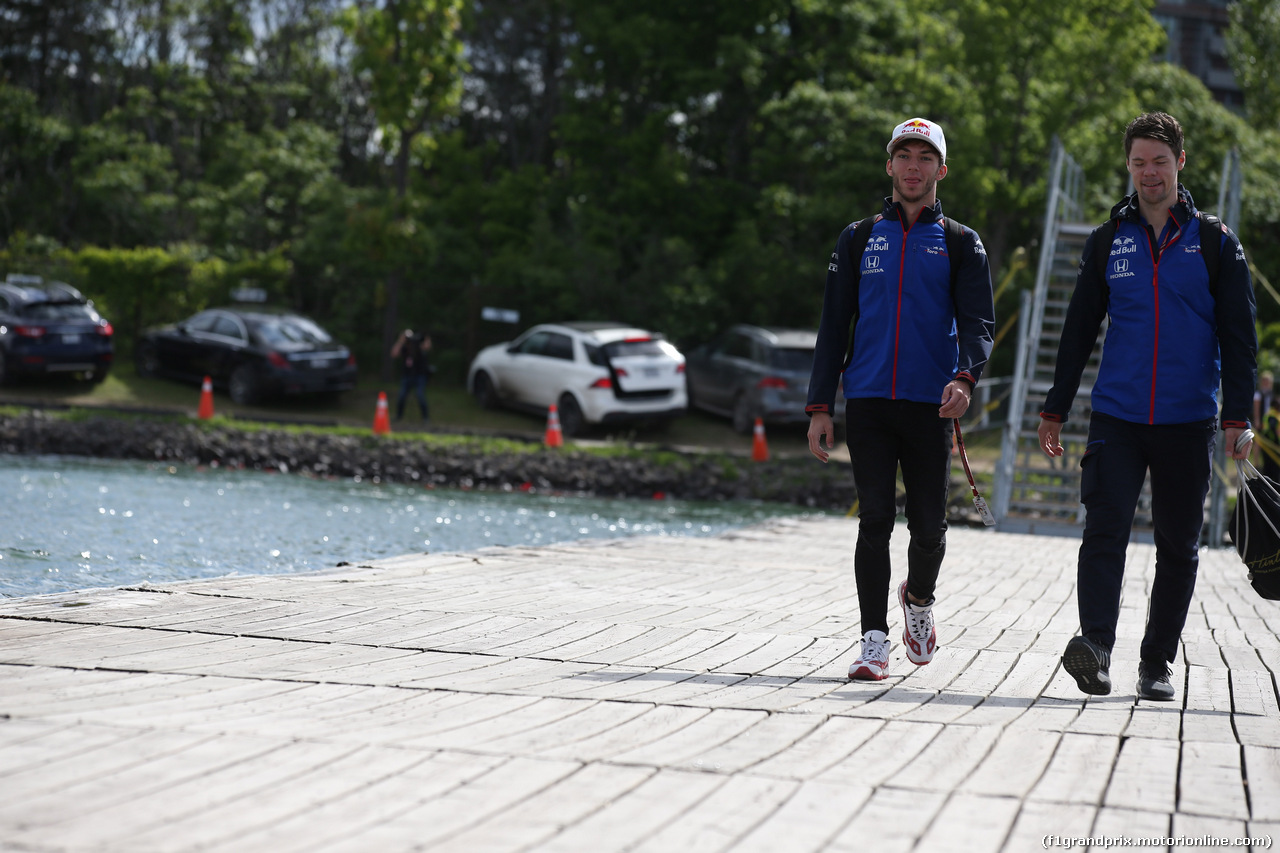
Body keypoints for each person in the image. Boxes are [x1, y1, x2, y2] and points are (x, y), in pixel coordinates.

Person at [1037, 112, 1257, 702]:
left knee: (1178, 547)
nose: (1148, 173)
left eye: (1159, 161)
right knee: (1103, 530)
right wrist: (1055, 407)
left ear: (1180, 162)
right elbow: (1079, 329)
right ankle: (1097, 649)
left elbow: (1240, 337)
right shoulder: (1109, 239)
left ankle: (1156, 662)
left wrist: (1238, 418)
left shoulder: (1214, 241)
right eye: (1138, 162)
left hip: (1190, 420)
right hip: (1118, 416)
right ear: (1128, 166)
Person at [806, 117, 996, 681]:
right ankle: (872, 642)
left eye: (925, 157)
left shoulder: (962, 243)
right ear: (889, 166)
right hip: (866, 399)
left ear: (941, 169)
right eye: (904, 155)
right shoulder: (859, 236)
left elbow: (978, 322)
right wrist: (820, 405)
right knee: (875, 521)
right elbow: (833, 324)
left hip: (929, 403)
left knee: (931, 526)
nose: (914, 166)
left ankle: (918, 601)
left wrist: (965, 379)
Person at [391, 328, 433, 421]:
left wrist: (426, 337)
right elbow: (394, 354)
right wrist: (401, 340)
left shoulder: (418, 345)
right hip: (407, 375)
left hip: (420, 375)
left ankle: (425, 418)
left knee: (420, 395)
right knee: (401, 396)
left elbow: (427, 347)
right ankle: (399, 416)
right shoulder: (404, 347)